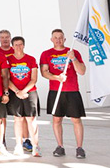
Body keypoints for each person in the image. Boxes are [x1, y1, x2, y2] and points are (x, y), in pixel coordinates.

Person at [40, 29, 86, 158]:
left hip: (72, 90)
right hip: (56, 91)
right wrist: (57, 78)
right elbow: (44, 72)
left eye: (60, 37)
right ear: (51, 39)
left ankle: (79, 148)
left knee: (76, 120)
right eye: (55, 37)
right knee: (57, 120)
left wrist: (73, 59)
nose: (58, 40)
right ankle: (60, 146)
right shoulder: (46, 54)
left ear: (64, 39)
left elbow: (82, 71)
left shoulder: (73, 52)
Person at [7, 36, 41, 157]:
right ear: (12, 46)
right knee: (18, 119)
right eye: (16, 45)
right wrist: (17, 91)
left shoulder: (31, 59)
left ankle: (35, 146)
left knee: (31, 119)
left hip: (29, 92)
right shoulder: (9, 60)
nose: (18, 47)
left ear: (24, 45)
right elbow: (7, 78)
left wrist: (24, 91)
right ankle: (18, 145)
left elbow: (34, 79)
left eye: (20, 44)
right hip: (15, 92)